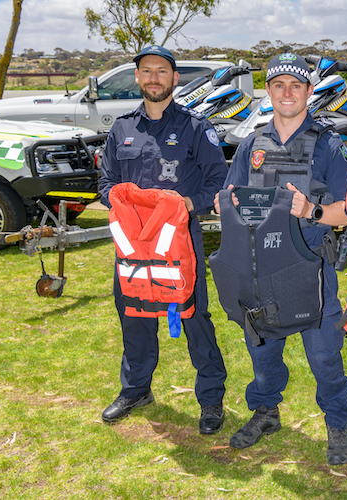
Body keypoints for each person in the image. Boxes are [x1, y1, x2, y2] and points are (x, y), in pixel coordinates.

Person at [215, 53, 347, 465]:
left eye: (296, 85)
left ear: (309, 91)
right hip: (260, 269)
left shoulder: (329, 143)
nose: (287, 93)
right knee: (262, 352)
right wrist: (225, 206)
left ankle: (337, 423)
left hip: (311, 267)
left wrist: (311, 209)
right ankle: (265, 411)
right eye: (279, 85)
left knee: (325, 356)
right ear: (268, 91)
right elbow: (229, 199)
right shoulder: (251, 144)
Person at [99, 45, 228, 435]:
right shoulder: (122, 128)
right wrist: (122, 204)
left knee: (194, 317)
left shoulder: (195, 127)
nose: (154, 78)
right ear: (137, 77)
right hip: (133, 245)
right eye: (147, 71)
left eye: (162, 71)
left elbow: (218, 180)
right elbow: (105, 183)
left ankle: (211, 399)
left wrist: (188, 203)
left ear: (174, 78)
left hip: (178, 242)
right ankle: (136, 390)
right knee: (133, 314)